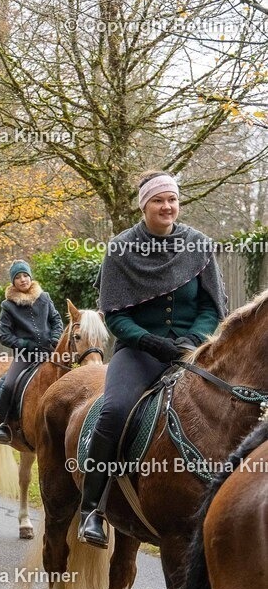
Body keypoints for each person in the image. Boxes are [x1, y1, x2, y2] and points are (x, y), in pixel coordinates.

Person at [78, 170, 227, 548]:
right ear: (144, 205)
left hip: (194, 348)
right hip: (139, 352)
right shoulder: (121, 248)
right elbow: (114, 315)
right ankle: (92, 509)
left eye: (173, 200)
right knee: (114, 410)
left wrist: (194, 337)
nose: (167, 206)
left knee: (234, 407)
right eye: (159, 200)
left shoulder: (200, 245)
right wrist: (149, 341)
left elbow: (212, 307)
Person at [0, 260, 64, 444]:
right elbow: (4, 336)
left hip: (50, 352)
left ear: (30, 277)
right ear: (13, 282)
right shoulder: (7, 306)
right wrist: (26, 344)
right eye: (18, 277)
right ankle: (3, 425)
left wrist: (55, 339)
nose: (22, 279)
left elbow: (57, 321)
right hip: (25, 356)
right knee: (9, 385)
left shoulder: (45, 297)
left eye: (25, 275)